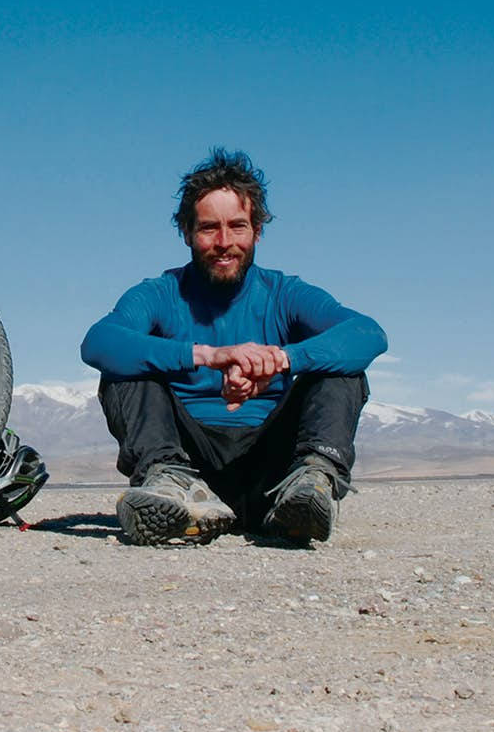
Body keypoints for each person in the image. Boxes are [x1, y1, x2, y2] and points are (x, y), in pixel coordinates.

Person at [80, 149, 386, 545]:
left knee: (342, 368)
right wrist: (207, 355)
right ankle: (172, 488)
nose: (224, 242)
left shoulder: (285, 294)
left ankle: (311, 485)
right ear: (187, 232)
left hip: (273, 470)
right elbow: (98, 342)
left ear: (257, 230)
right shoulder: (159, 294)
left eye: (237, 227)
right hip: (190, 469)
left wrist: (280, 359)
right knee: (123, 366)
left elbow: (368, 333)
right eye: (209, 228)